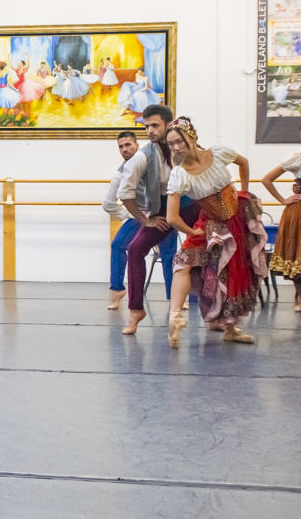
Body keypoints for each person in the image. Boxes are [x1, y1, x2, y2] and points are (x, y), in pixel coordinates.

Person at [164, 118, 264, 347]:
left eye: (179, 141)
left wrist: (244, 193)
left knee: (234, 271)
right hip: (210, 224)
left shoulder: (218, 154)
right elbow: (172, 217)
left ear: (192, 137)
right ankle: (175, 316)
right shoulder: (180, 173)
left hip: (236, 220)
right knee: (183, 261)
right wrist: (192, 230)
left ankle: (230, 327)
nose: (176, 147)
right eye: (171, 144)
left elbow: (243, 162)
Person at [116, 104, 199, 335]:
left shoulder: (186, 146)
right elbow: (125, 193)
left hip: (193, 204)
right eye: (146, 126)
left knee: (215, 248)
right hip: (163, 209)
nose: (149, 131)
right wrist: (145, 220)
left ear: (168, 125)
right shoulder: (143, 155)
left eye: (155, 125)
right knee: (135, 250)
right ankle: (135, 311)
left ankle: (218, 313)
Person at [104, 131, 140, 309]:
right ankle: (117, 290)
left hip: (163, 215)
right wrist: (128, 214)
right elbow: (108, 204)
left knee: (168, 253)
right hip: (140, 218)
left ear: (137, 146)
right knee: (117, 244)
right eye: (121, 146)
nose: (125, 149)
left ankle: (176, 298)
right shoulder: (120, 173)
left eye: (128, 145)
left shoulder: (151, 162)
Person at [262, 146, 301, 310]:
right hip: (298, 211)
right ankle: (299, 297)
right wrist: (283, 199)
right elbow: (267, 179)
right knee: (297, 253)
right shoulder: (298, 158)